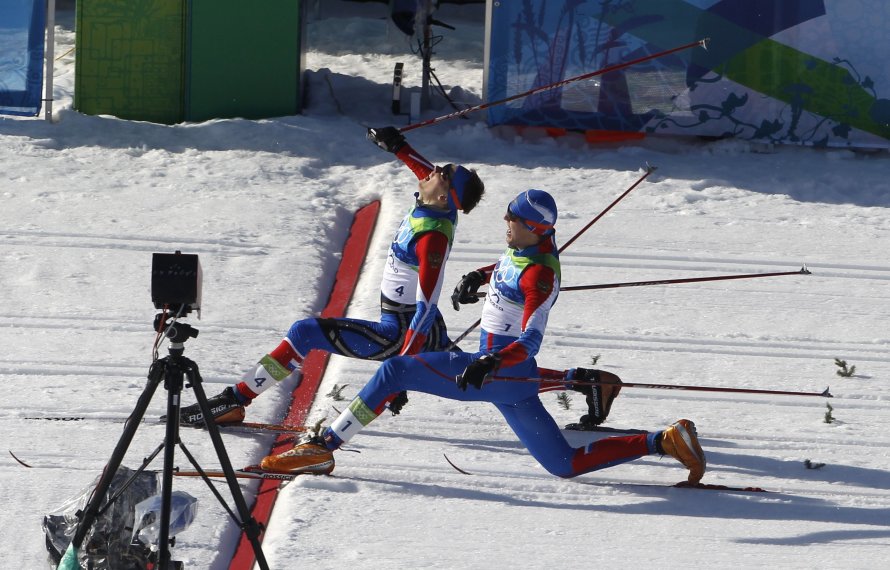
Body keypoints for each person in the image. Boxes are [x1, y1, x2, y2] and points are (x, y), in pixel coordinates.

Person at [259, 189, 707, 485]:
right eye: (508, 215)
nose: (506, 223)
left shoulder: (539, 278)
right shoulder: (525, 248)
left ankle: (322, 449)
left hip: (501, 372)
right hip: (513, 384)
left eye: (514, 219)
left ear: (537, 228)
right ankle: (664, 440)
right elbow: (508, 263)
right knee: (564, 465)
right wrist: (480, 275)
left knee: (395, 369)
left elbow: (530, 338)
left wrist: (490, 361)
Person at [176, 126, 485, 426]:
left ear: (445, 195)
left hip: (402, 332)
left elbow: (427, 308)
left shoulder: (432, 238)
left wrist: (401, 371)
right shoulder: (441, 203)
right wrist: (398, 146)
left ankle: (235, 401)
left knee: (304, 333)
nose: (433, 170)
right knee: (486, 377)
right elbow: (425, 172)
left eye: (443, 173)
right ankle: (515, 382)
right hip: (414, 326)